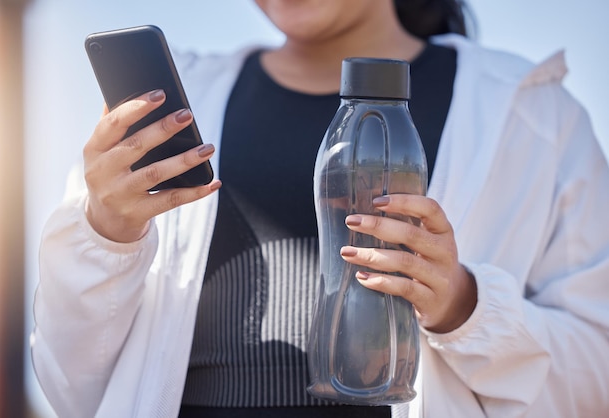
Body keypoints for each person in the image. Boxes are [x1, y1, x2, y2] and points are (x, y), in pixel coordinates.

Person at [31, 0, 609, 417]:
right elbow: (72, 385)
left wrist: (465, 305)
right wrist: (105, 237)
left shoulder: (535, 114)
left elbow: (596, 375)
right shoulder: (169, 114)